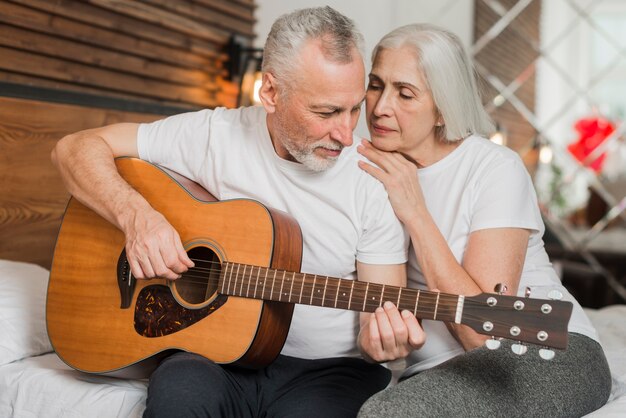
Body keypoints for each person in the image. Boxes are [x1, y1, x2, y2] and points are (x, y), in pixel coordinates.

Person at [51, 7, 415, 418]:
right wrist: (137, 217)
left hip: (329, 372)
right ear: (272, 93)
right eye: (327, 112)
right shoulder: (212, 136)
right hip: (213, 357)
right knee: (177, 400)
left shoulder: (373, 181)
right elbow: (74, 148)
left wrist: (383, 339)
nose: (347, 134)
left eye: (354, 109)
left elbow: (380, 311)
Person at [355, 23, 612, 417]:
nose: (380, 107)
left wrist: (416, 212)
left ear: (442, 107)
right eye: (376, 85)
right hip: (437, 371)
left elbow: (482, 333)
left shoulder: (494, 168)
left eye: (405, 93)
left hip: (547, 349)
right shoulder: (368, 168)